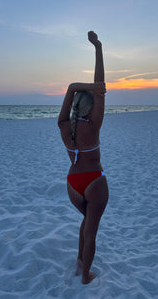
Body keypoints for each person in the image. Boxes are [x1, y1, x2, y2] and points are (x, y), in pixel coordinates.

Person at [58, 31, 108, 284]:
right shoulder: (94, 124)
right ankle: (86, 276)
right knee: (91, 231)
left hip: (72, 184)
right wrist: (98, 47)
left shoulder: (64, 124)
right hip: (94, 181)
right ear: (91, 105)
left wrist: (87, 87)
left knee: (86, 222)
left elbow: (71, 88)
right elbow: (100, 87)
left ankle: (80, 260)